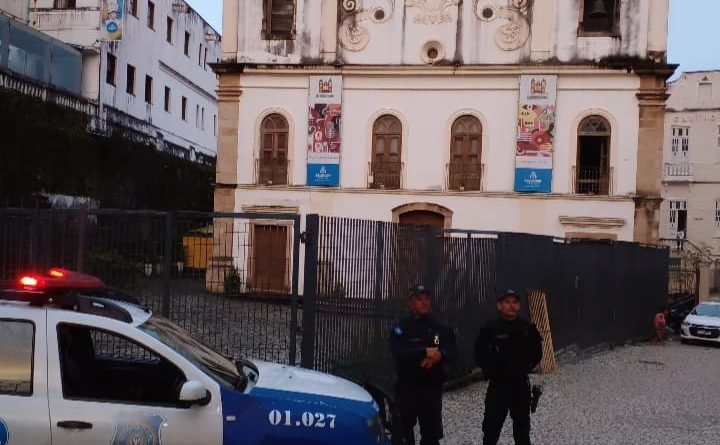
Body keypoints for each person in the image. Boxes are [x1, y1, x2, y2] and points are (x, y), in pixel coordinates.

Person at [390, 285, 457, 445]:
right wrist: (423, 352)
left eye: (426, 299)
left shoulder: (440, 326)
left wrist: (440, 355)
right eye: (419, 299)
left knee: (431, 436)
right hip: (408, 388)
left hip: (432, 389)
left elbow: (453, 350)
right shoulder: (402, 327)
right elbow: (398, 353)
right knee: (403, 435)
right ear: (411, 303)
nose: (424, 302)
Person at [475, 290, 543, 445]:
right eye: (507, 302)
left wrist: (524, 367)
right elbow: (479, 353)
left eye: (514, 302)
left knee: (522, 431)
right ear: (499, 305)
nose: (511, 306)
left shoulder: (527, 328)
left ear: (519, 306)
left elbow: (537, 353)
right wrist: (492, 368)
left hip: (520, 385)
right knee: (491, 431)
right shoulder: (490, 328)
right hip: (498, 386)